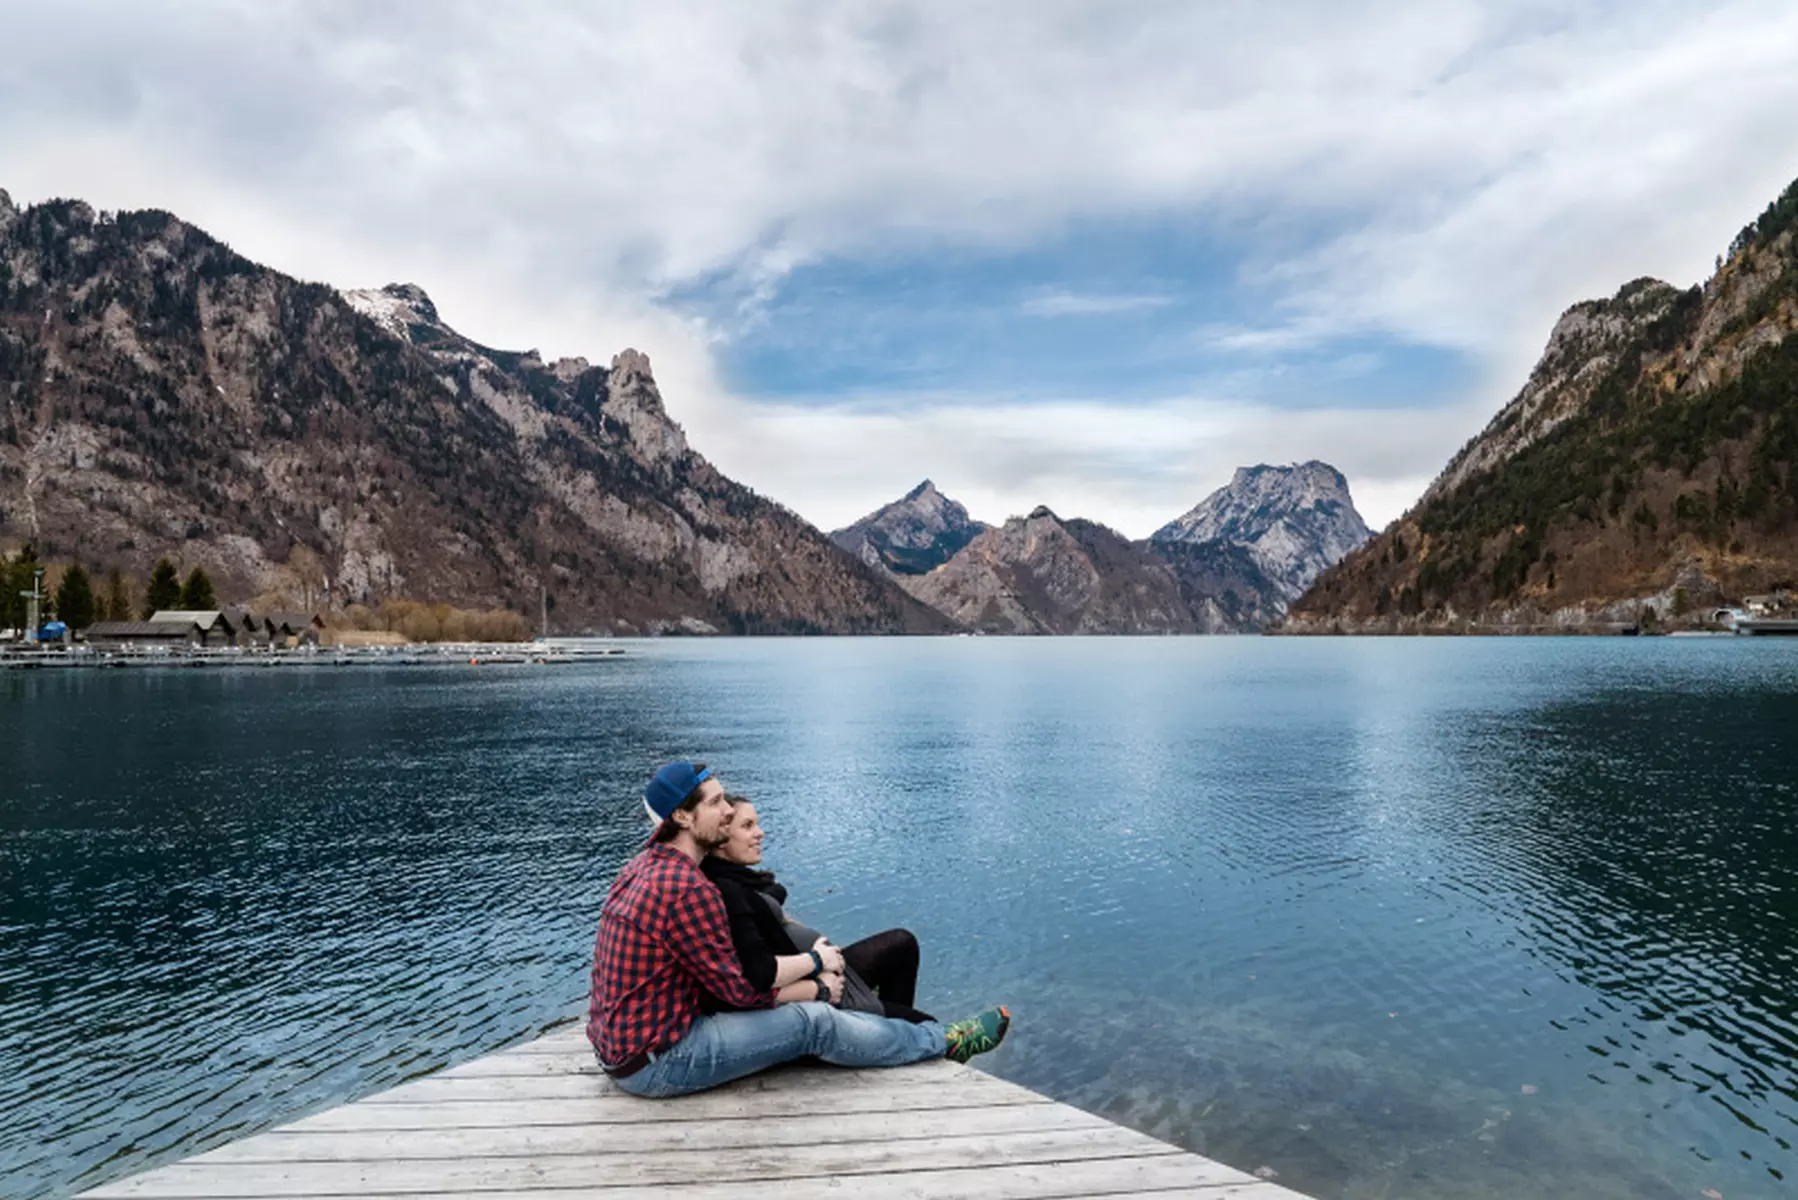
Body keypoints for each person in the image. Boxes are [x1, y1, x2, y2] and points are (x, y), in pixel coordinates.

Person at [586, 761, 1010, 1098]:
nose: (729, 810)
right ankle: (943, 1041)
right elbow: (743, 991)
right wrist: (819, 983)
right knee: (814, 1024)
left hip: (625, 1048)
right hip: (661, 1062)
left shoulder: (645, 866)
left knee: (822, 1006)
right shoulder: (687, 888)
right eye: (716, 802)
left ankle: (913, 1043)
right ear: (681, 815)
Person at [702, 793, 935, 1023]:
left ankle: (890, 1032)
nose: (760, 833)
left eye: (757, 824)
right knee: (926, 1026)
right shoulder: (729, 891)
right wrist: (817, 963)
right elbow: (759, 971)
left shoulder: (737, 880)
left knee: (902, 944)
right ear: (721, 837)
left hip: (823, 973)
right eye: (747, 826)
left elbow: (772, 893)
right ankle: (892, 1032)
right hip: (820, 989)